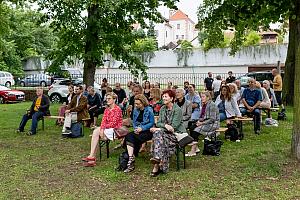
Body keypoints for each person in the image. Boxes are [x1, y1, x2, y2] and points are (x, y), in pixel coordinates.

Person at [149, 90, 186, 176]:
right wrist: (164, 126)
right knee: (158, 135)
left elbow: (174, 127)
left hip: (176, 135)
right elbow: (159, 123)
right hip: (164, 134)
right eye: (163, 96)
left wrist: (159, 129)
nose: (164, 98)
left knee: (157, 134)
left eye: (166, 96)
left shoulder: (177, 110)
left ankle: (156, 164)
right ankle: (158, 162)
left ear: (172, 98)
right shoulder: (162, 109)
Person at [82, 92, 123, 167]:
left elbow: (113, 123)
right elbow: (103, 121)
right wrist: (101, 129)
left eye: (109, 98)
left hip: (115, 130)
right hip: (107, 129)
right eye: (106, 99)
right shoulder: (107, 109)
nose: (107, 100)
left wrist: (102, 129)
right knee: (96, 132)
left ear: (114, 99)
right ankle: (92, 157)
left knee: (96, 132)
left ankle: (92, 157)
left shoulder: (118, 109)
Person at [123, 94, 155, 173]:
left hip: (147, 131)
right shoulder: (135, 110)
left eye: (138, 104)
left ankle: (130, 157)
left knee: (128, 138)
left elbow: (152, 123)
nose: (136, 105)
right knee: (130, 136)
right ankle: (131, 157)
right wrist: (136, 129)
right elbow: (134, 121)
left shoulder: (149, 110)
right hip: (138, 130)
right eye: (135, 103)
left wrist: (142, 128)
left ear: (143, 103)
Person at [187, 91, 220, 156]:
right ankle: (196, 148)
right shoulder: (204, 104)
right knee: (191, 127)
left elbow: (212, 119)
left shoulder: (212, 105)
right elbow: (204, 116)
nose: (201, 98)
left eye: (203, 97)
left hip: (213, 123)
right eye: (201, 97)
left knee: (196, 131)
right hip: (206, 122)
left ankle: (193, 150)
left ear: (208, 97)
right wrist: (199, 121)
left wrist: (201, 123)